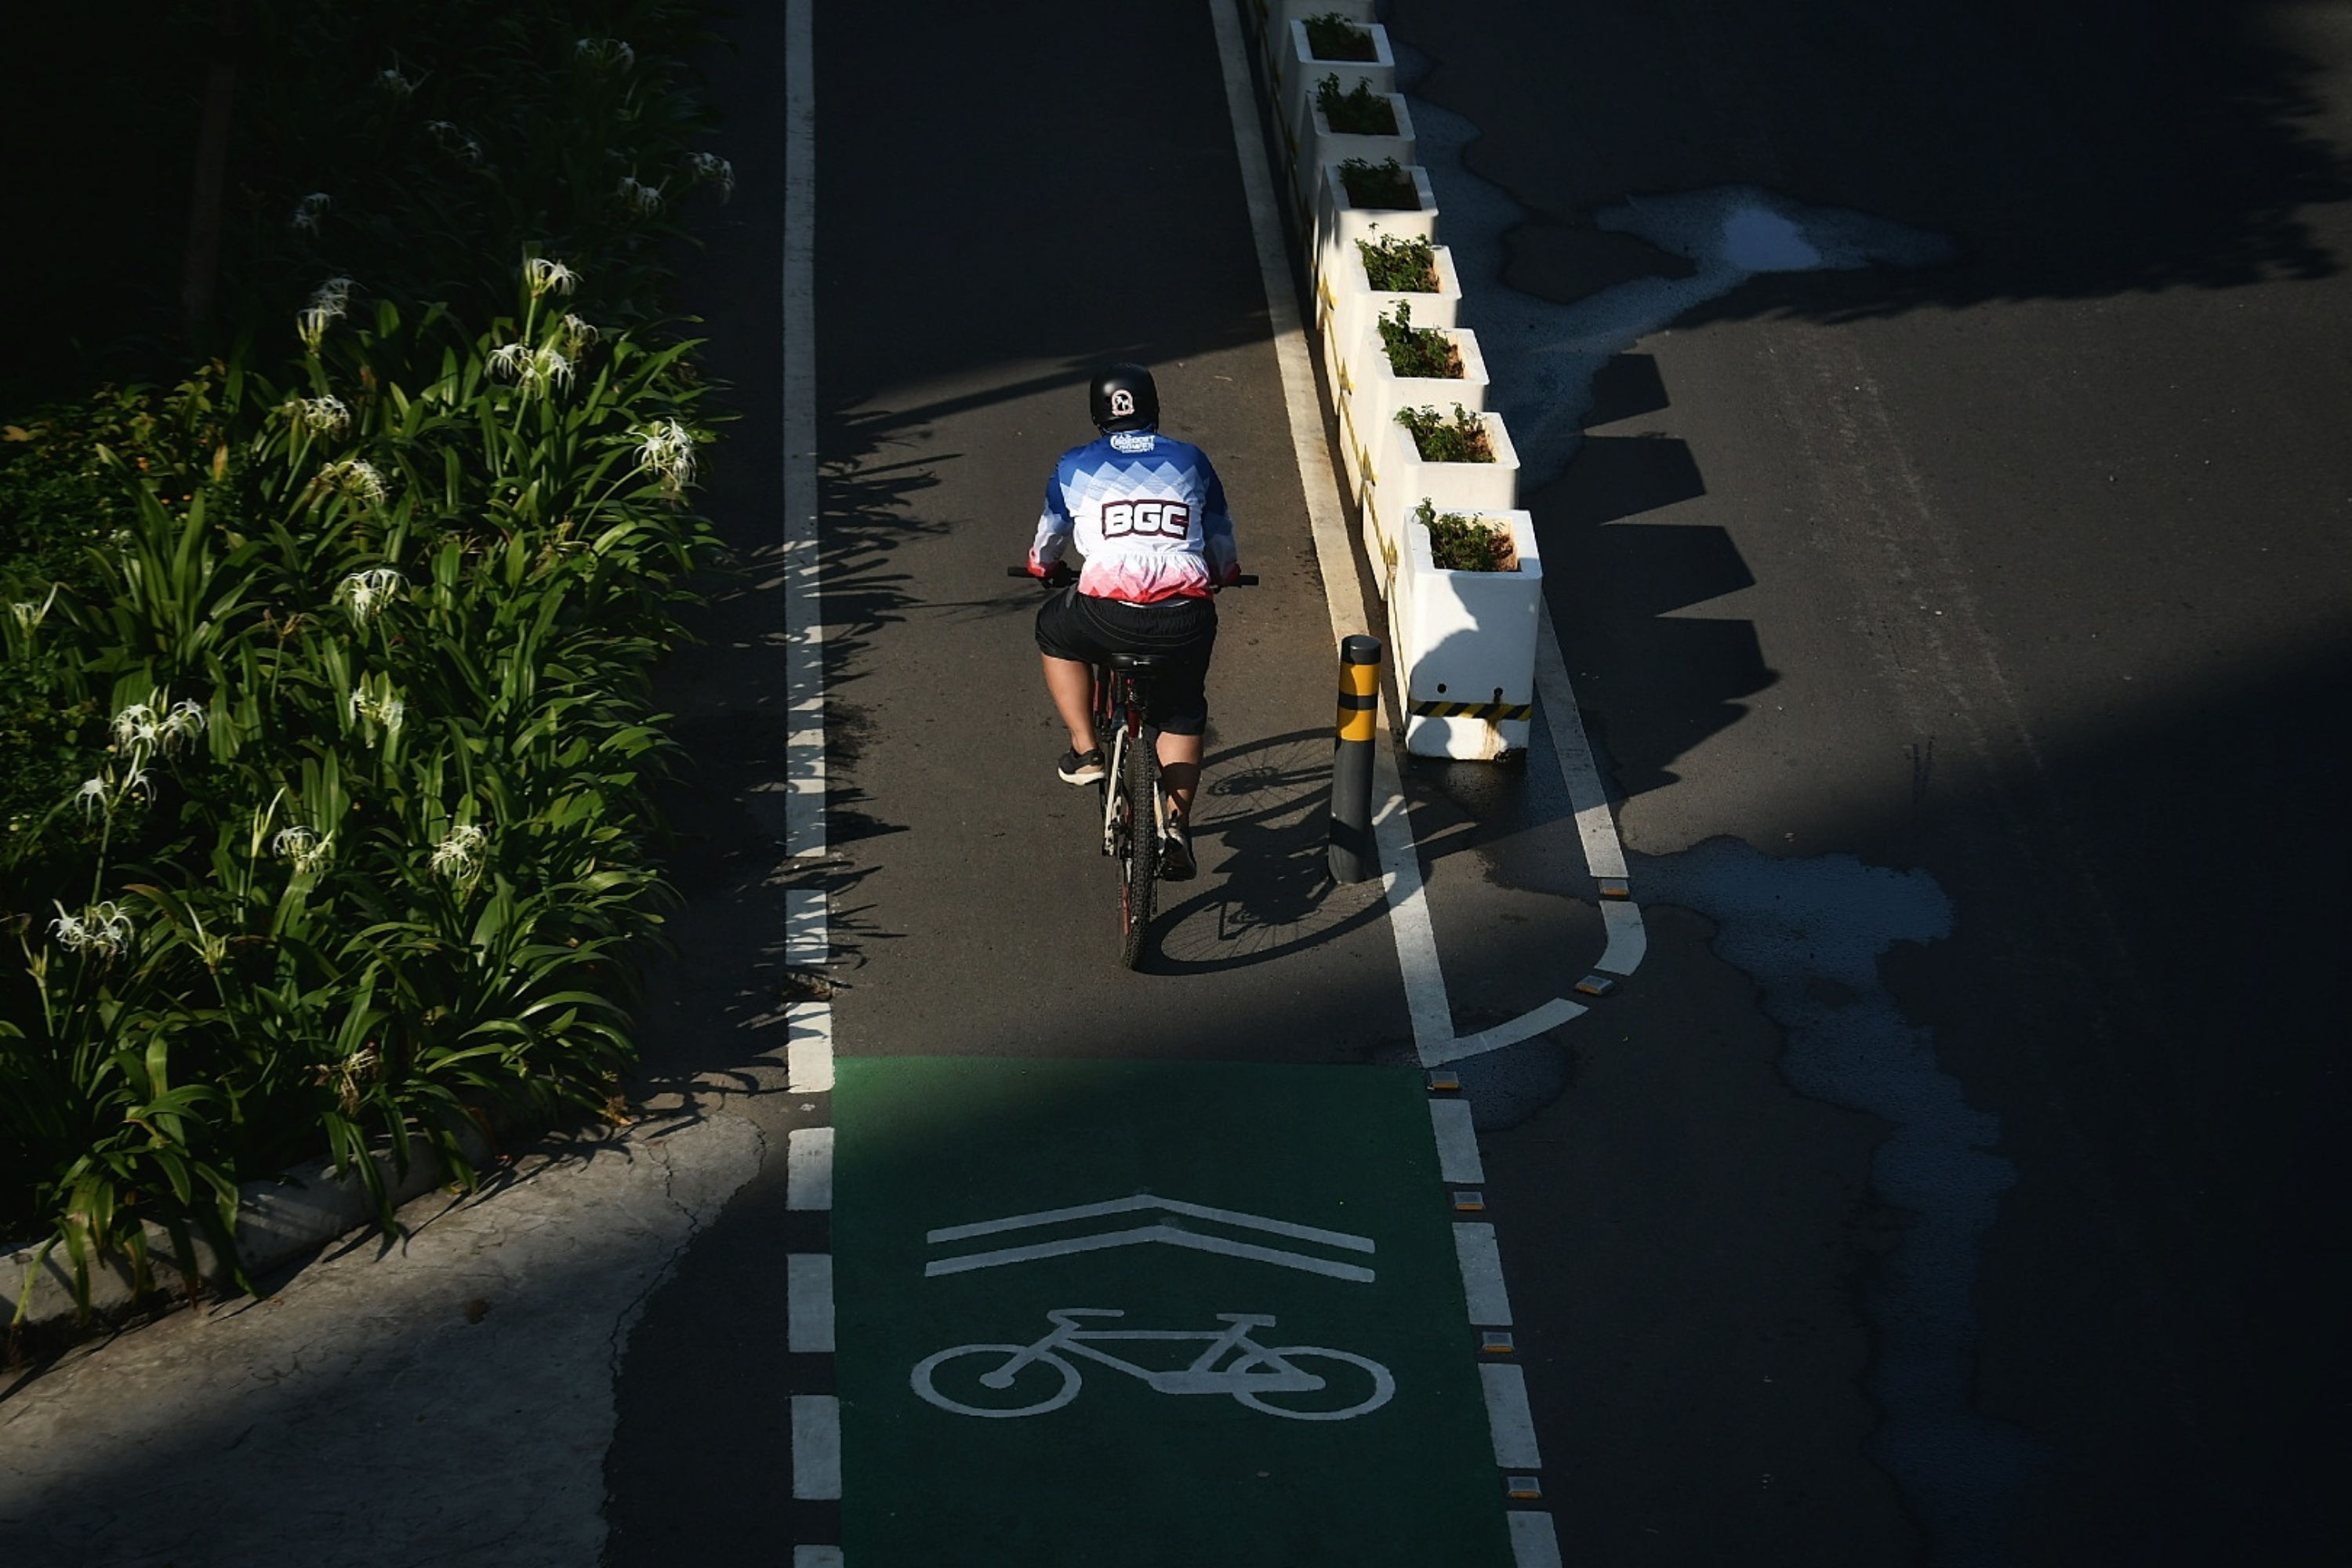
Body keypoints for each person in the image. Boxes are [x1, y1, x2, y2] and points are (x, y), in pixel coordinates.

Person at [1028, 361, 1240, 881]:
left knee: (1053, 630)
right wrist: (1226, 573)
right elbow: (1220, 540)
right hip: (1183, 617)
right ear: (1153, 407)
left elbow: (1046, 544)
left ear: (1098, 413)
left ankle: (1085, 750)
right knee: (1184, 712)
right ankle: (1174, 826)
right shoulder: (1191, 460)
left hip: (1104, 616)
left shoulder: (1074, 465)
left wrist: (1045, 568)